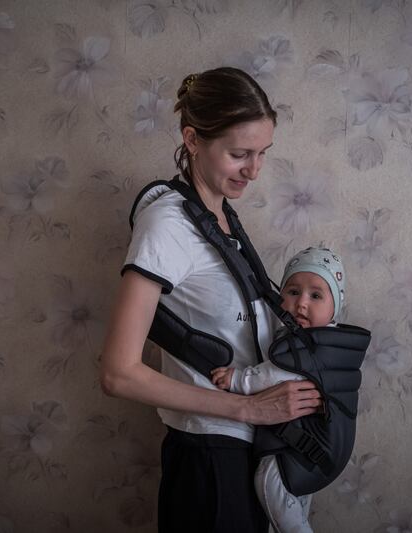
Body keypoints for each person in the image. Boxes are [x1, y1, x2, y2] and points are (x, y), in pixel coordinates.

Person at [99, 67, 322, 533]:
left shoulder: (217, 217)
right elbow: (118, 373)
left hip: (246, 449)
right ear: (193, 140)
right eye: (239, 154)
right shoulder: (168, 225)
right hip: (209, 456)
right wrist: (249, 408)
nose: (254, 170)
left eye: (262, 153)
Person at [211, 246, 346, 533]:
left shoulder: (312, 344)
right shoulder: (321, 341)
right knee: (295, 502)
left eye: (316, 295)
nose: (302, 304)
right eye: (293, 291)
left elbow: (275, 374)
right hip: (311, 447)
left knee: (269, 482)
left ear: (336, 308)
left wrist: (237, 380)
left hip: (294, 446)